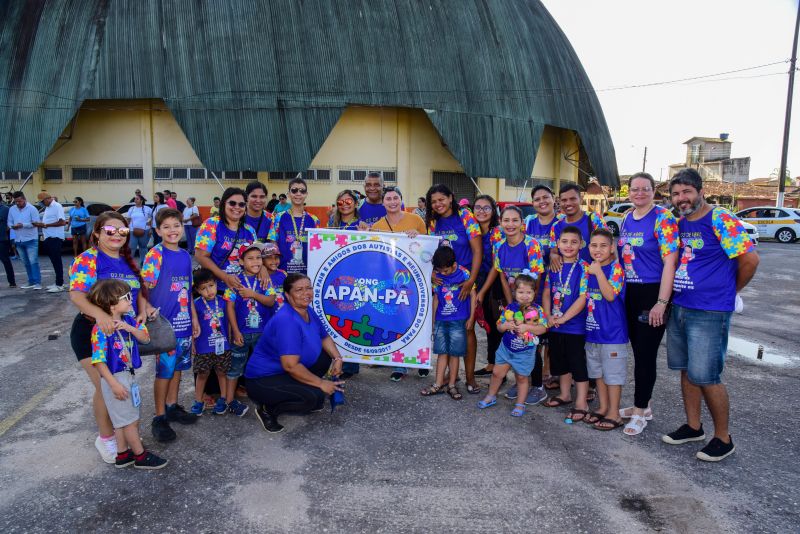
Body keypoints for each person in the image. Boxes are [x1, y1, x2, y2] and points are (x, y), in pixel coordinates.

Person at [662, 169, 758, 462]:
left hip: (709, 310)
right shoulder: (680, 223)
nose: (681, 199)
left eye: (686, 192)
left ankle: (723, 438)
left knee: (706, 375)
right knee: (686, 370)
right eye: (676, 194)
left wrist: (730, 291)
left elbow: (750, 259)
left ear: (700, 191)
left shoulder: (719, 219)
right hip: (681, 305)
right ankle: (693, 427)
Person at [69, 212, 155, 464]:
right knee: (105, 388)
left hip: (122, 337)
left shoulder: (129, 262)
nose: (117, 234)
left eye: (123, 231)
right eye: (110, 230)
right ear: (96, 233)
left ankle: (121, 438)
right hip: (92, 333)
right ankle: (106, 439)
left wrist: (143, 309)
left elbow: (138, 292)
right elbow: (77, 295)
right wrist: (101, 317)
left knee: (121, 388)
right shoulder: (88, 259)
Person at [616, 172, 679, 436]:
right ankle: (645, 405)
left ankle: (640, 411)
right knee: (636, 351)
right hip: (630, 291)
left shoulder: (663, 218)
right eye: (634, 189)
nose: (639, 193)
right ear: (628, 191)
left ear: (654, 191)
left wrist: (661, 303)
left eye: (645, 189)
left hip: (652, 292)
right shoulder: (627, 217)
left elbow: (670, 263)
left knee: (645, 354)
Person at [244, 274, 345, 433]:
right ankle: (267, 409)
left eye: (308, 288)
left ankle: (305, 387)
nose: (306, 293)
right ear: (287, 295)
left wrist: (338, 358)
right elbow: (290, 366)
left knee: (325, 358)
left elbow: (324, 337)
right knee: (312, 398)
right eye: (299, 290)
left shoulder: (307, 310)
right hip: (262, 378)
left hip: (284, 370)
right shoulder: (287, 321)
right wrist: (320, 383)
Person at [88, 279, 167, 470]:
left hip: (128, 375)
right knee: (130, 421)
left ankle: (122, 455)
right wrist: (113, 384)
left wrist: (129, 328)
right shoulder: (101, 329)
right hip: (115, 378)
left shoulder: (129, 319)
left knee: (124, 419)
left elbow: (145, 338)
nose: (132, 301)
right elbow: (98, 360)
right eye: (127, 298)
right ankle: (140, 455)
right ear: (112, 303)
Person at [142, 208, 200, 442]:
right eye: (166, 227)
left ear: (182, 227)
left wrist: (194, 317)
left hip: (184, 323)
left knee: (178, 369)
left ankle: (172, 405)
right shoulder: (155, 255)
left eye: (176, 225)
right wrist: (145, 308)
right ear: (158, 231)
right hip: (165, 327)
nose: (172, 230)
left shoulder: (186, 256)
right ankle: (159, 417)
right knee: (164, 371)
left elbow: (187, 289)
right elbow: (142, 288)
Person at [363, 186, 428, 381]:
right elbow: (374, 254)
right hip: (390, 281)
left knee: (418, 319)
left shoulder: (416, 220)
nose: (392, 201)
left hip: (415, 278)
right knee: (395, 321)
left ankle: (421, 362)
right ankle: (400, 364)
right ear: (383, 203)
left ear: (401, 200)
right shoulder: (378, 226)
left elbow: (428, 247)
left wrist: (418, 237)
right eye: (388, 198)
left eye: (395, 198)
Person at [483, 206, 546, 405]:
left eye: (514, 220)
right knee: (513, 341)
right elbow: (502, 275)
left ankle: (538, 386)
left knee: (531, 344)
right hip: (514, 302)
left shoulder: (532, 245)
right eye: (506, 220)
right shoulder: (499, 245)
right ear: (501, 223)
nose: (510, 225)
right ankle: (520, 380)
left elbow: (538, 278)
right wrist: (512, 304)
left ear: (521, 223)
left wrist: (529, 307)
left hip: (531, 303)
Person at [426, 184, 483, 393]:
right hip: (444, 284)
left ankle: (469, 378)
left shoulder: (465, 216)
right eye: (433, 201)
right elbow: (428, 252)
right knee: (449, 330)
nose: (438, 204)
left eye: (441, 199)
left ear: (451, 198)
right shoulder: (433, 222)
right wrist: (431, 272)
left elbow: (477, 251)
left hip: (465, 283)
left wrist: (471, 281)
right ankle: (451, 377)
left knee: (467, 329)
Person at [477, 274, 548, 417]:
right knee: (497, 373)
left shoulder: (538, 310)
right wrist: (505, 326)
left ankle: (520, 404)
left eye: (529, 292)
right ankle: (491, 396)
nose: (525, 296)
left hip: (525, 352)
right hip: (506, 349)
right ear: (514, 292)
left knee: (521, 378)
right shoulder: (510, 308)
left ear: (535, 293)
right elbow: (498, 327)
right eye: (521, 292)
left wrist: (528, 328)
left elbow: (543, 328)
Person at [541, 226, 590, 422]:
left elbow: (582, 298)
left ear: (581, 245)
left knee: (577, 364)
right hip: (554, 323)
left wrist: (564, 318)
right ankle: (564, 394)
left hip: (574, 326)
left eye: (573, 242)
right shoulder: (553, 266)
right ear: (558, 244)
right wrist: (547, 315)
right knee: (560, 361)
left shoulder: (584, 268)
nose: (568, 246)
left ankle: (581, 402)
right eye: (564, 242)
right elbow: (546, 292)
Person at [224, 242, 277, 417]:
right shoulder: (235, 281)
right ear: (241, 261)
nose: (256, 262)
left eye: (258, 258)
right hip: (242, 334)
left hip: (263, 333)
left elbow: (270, 301)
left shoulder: (265, 280)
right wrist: (236, 331)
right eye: (250, 258)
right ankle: (230, 401)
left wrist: (253, 294)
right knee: (235, 368)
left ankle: (266, 399)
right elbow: (229, 307)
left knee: (263, 365)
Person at [584, 229, 628, 431]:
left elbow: (610, 295)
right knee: (598, 373)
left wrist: (599, 272)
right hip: (593, 333)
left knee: (613, 375)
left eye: (603, 246)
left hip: (612, 334)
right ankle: (603, 407)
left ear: (612, 248)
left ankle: (614, 413)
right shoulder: (588, 269)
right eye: (594, 245)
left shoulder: (616, 269)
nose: (598, 249)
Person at [420, 246, 476, 400]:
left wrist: (471, 318)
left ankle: (452, 384)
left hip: (459, 321)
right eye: (440, 271)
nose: (443, 274)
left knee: (455, 354)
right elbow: (436, 298)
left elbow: (473, 294)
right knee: (441, 353)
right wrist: (433, 323)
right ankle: (438, 383)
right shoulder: (437, 276)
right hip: (441, 321)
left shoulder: (464, 273)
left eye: (446, 271)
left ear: (454, 264)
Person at [525, 185, 562, 391]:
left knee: (552, 330)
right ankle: (535, 371)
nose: (542, 202)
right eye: (537, 199)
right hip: (534, 286)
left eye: (545, 197)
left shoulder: (561, 223)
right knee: (535, 328)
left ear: (553, 199)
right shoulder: (529, 222)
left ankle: (549, 370)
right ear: (533, 203)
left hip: (557, 285)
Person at [195, 187, 258, 293]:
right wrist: (225, 277)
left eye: (241, 204)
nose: (237, 207)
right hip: (216, 290)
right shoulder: (211, 224)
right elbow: (201, 256)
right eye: (232, 203)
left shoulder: (250, 230)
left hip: (243, 290)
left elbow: (256, 257)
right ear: (224, 204)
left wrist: (263, 269)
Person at [190, 268, 234, 416]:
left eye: (211, 285)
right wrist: (193, 345)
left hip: (223, 346)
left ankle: (223, 398)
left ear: (216, 283)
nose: (209, 291)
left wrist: (230, 339)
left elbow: (228, 323)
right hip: (203, 347)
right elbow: (193, 327)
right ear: (197, 289)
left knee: (222, 372)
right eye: (203, 288)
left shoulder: (224, 302)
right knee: (202, 374)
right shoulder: (196, 304)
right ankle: (198, 400)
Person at [473, 195, 504, 377]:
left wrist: (483, 291)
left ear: (493, 211)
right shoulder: (474, 231)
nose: (482, 211)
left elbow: (496, 265)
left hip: (495, 284)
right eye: (478, 207)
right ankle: (492, 364)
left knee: (497, 325)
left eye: (486, 208)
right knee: (489, 327)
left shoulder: (497, 232)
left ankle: (498, 367)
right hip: (480, 281)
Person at [268, 178, 320, 275]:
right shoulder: (278, 217)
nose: (298, 193)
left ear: (306, 194)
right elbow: (272, 245)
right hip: (283, 272)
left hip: (307, 273)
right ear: (288, 194)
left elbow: (317, 248)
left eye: (302, 191)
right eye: (294, 190)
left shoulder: (314, 219)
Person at [549, 183, 608, 267]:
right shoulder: (556, 226)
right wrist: (553, 255)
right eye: (564, 200)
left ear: (580, 199)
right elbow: (553, 250)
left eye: (572, 199)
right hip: (568, 277)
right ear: (560, 201)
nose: (568, 203)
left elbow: (608, 247)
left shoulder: (594, 219)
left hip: (592, 275)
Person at [7, 191, 42, 289]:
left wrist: (23, 225)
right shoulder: (12, 209)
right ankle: (30, 281)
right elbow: (9, 222)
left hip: (31, 239)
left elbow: (36, 223)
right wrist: (12, 226)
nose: (18, 203)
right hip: (18, 240)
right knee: (26, 262)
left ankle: (37, 282)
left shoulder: (32, 209)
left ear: (24, 199)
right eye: (16, 202)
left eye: (19, 201)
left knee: (33, 261)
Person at [35, 192, 67, 292]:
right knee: (53, 261)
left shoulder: (57, 206)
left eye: (42, 201)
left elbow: (62, 222)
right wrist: (42, 224)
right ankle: (58, 282)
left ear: (48, 199)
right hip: (48, 237)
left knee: (56, 261)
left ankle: (59, 285)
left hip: (55, 237)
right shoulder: (48, 207)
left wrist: (46, 225)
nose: (41, 204)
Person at [261, 242, 287, 321]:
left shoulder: (283, 274)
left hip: (281, 315)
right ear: (262, 260)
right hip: (265, 317)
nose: (274, 261)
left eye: (276, 257)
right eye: (269, 258)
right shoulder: (259, 275)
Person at [125, 194, 153, 265]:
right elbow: (128, 220)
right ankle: (129, 263)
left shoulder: (147, 209)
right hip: (132, 231)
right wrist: (126, 229)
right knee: (132, 247)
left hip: (145, 231)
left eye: (137, 199)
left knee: (143, 247)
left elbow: (153, 218)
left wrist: (150, 227)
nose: (135, 200)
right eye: (135, 199)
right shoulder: (131, 209)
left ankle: (143, 262)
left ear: (141, 200)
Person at [0, 200, 15, 287]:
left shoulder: (5, 209)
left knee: (5, 261)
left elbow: (10, 225)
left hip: (2, 239)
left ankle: (12, 282)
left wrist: (12, 241)